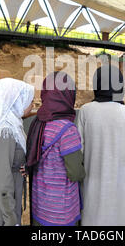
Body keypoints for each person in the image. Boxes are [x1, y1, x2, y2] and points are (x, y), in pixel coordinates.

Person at [76, 65, 125, 226]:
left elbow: (80, 150)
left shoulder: (85, 111)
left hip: (92, 185)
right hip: (118, 188)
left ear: (96, 84)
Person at [27, 72, 85, 226]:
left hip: (40, 205)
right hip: (61, 211)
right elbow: (75, 172)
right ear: (68, 95)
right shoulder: (67, 130)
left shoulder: (37, 122)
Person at [0, 78, 34, 226]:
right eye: (29, 100)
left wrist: (21, 167)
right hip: (0, 201)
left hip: (5, 195)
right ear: (15, 101)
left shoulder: (13, 125)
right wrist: (10, 217)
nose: (33, 104)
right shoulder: (6, 131)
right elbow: (2, 177)